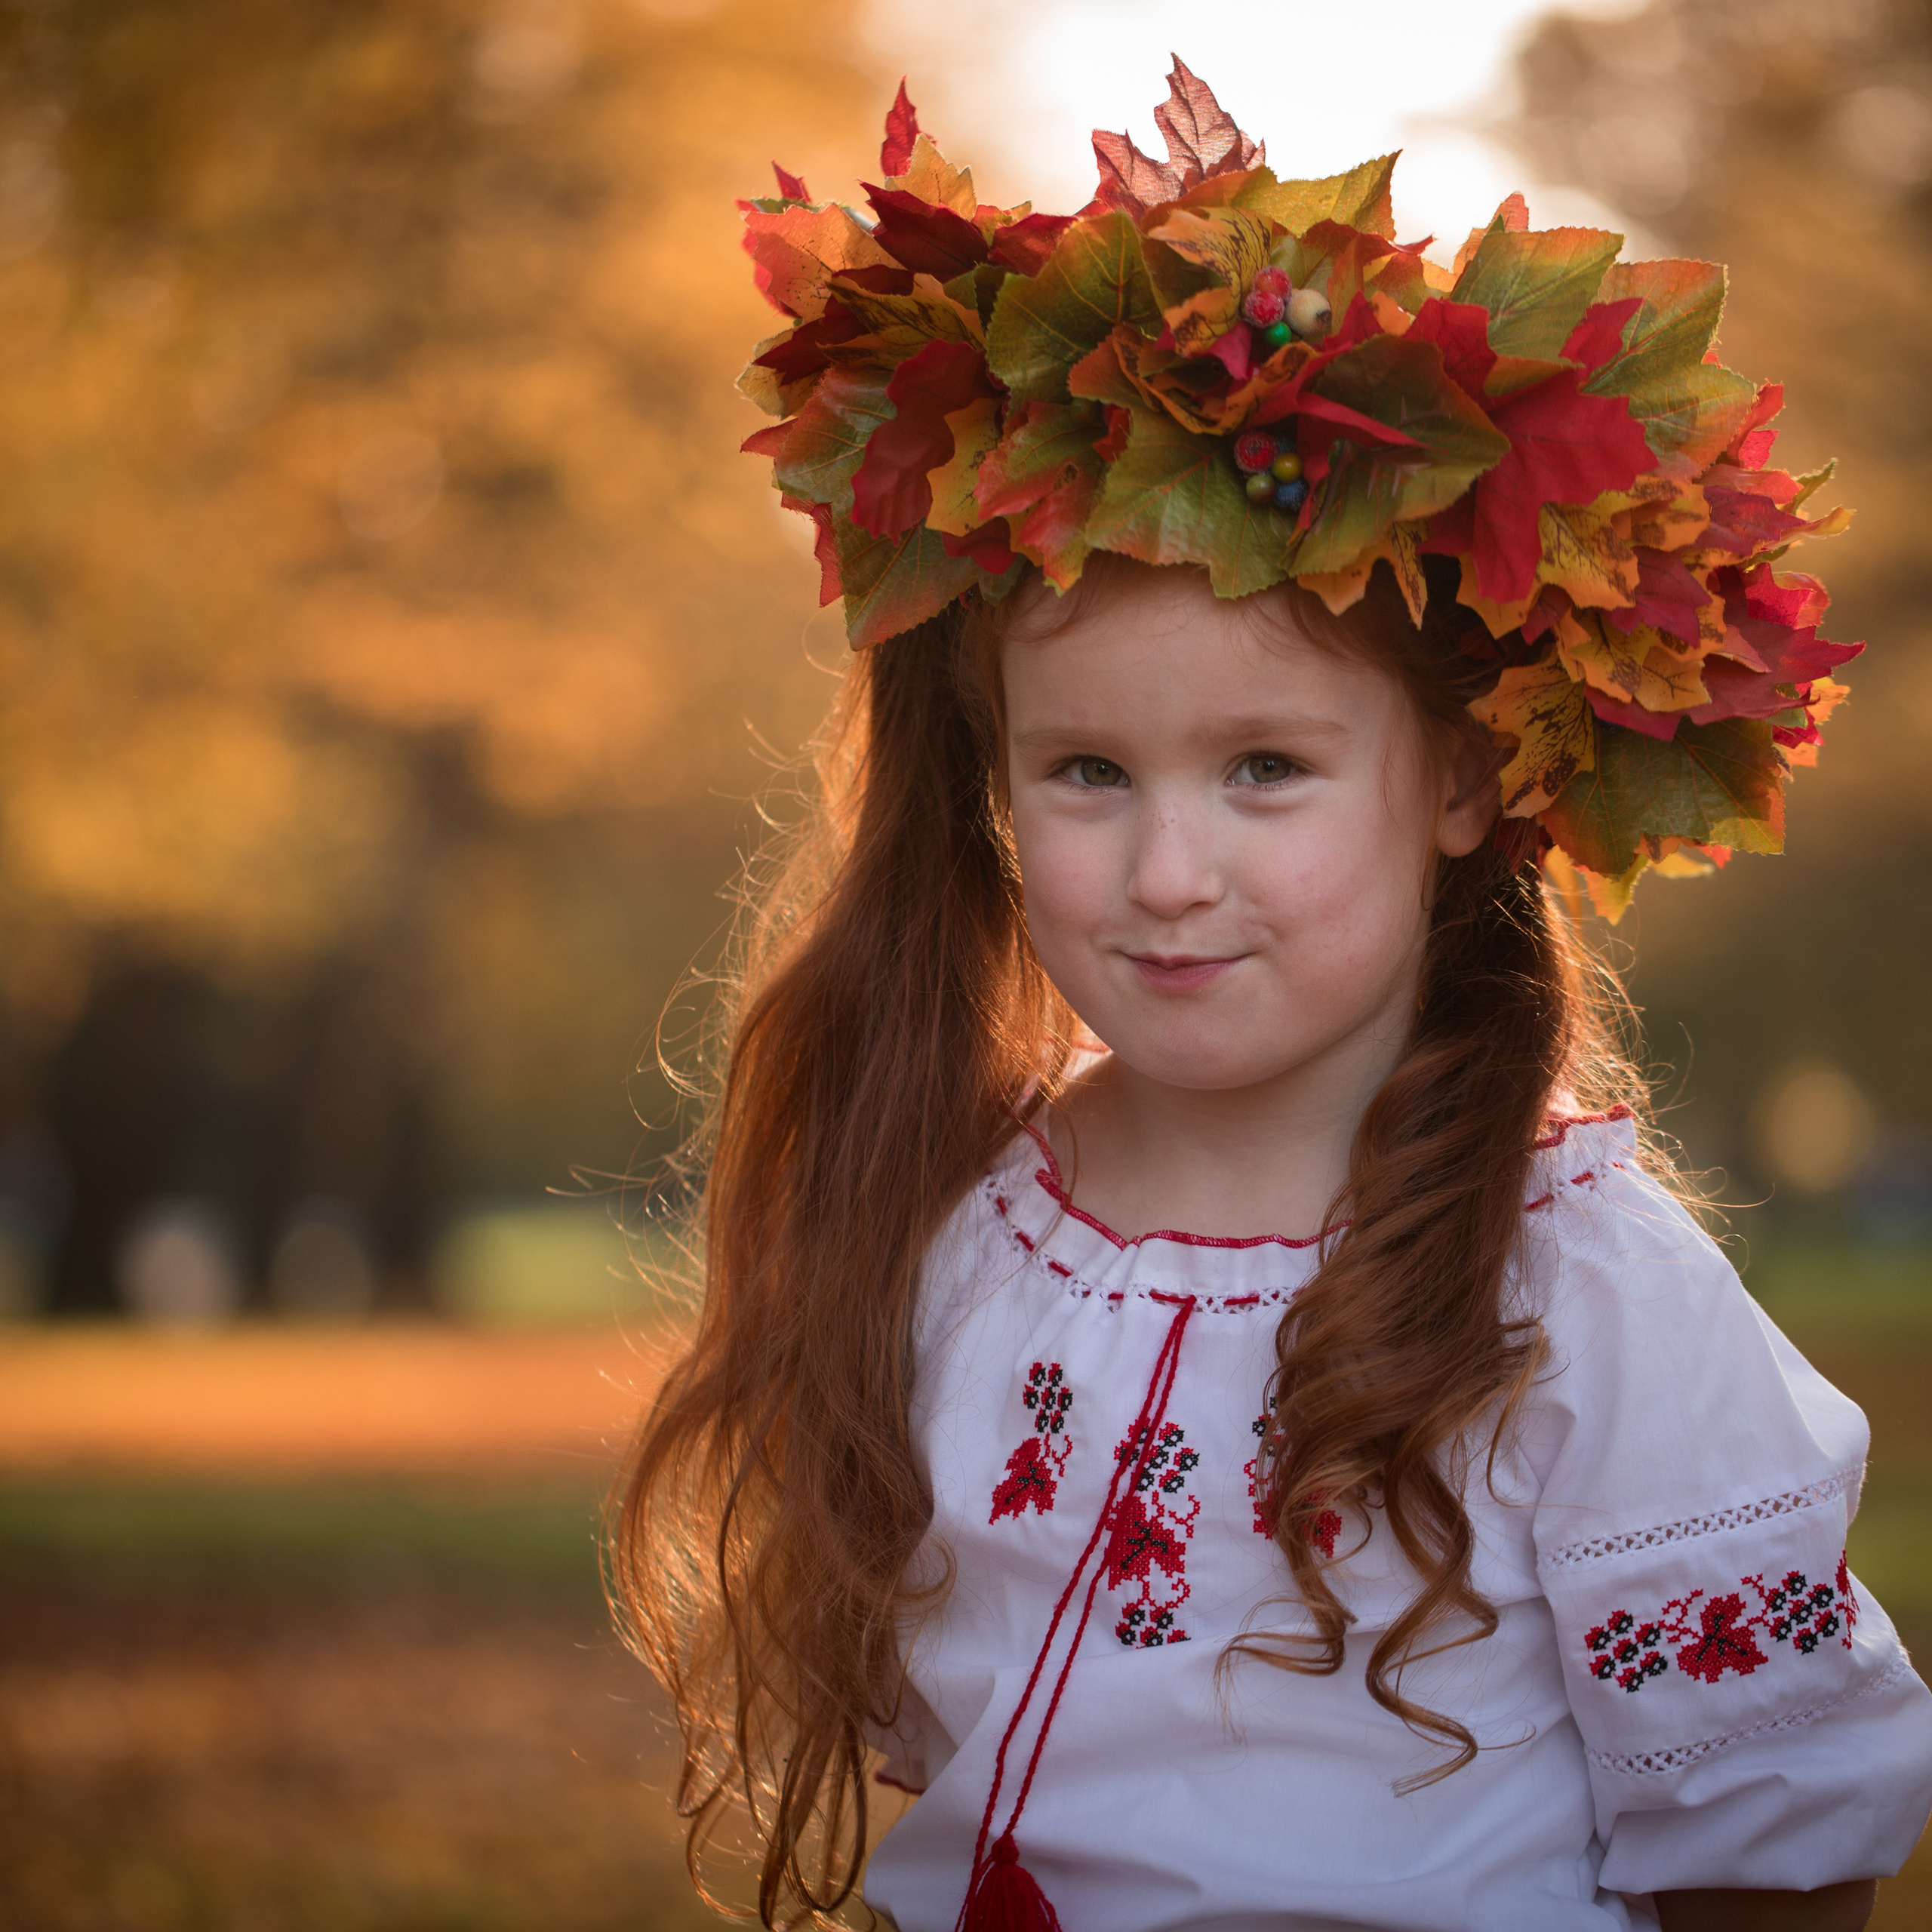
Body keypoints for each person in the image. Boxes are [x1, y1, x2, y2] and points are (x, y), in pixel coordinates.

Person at [611, 62, 1932, 1932]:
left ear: (1464, 783)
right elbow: (963, 1749)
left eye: (1262, 770)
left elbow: (1775, 1856)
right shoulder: (971, 1228)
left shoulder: (1572, 1286)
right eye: (1088, 774)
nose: (1166, 871)